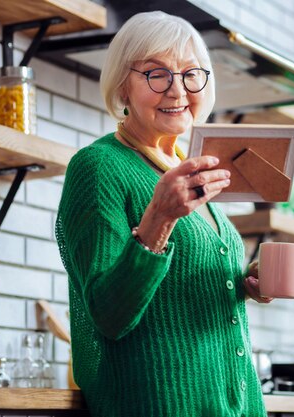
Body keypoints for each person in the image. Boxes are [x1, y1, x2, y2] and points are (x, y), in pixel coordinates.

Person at [55, 11, 271, 417]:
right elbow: (108, 314)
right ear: (123, 86)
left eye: (191, 74)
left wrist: (245, 284)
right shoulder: (99, 166)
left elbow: (178, 296)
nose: (178, 90)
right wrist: (159, 219)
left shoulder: (186, 170)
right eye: (157, 74)